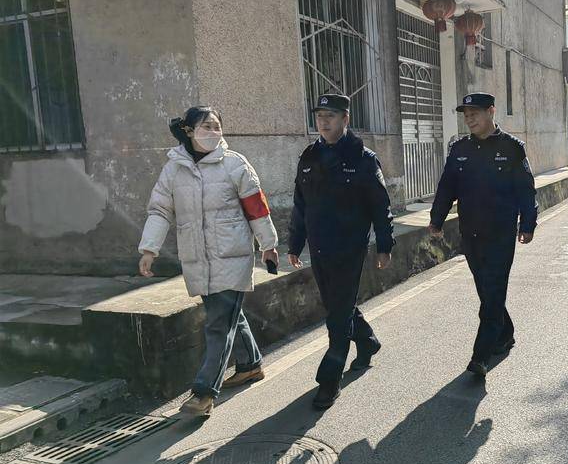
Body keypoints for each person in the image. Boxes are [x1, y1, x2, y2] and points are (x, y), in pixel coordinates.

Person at [138, 106, 279, 416]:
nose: (214, 132)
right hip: (198, 259)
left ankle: (203, 393)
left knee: (218, 325)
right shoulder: (174, 170)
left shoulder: (234, 164)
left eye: (217, 126)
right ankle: (250, 364)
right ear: (189, 131)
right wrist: (149, 249)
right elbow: (160, 210)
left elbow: (256, 208)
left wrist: (268, 245)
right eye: (206, 126)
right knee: (228, 318)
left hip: (233, 256)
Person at [288, 93, 395, 409]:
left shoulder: (363, 158)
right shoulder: (309, 156)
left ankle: (329, 380)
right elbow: (300, 205)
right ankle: (367, 341)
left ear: (345, 119)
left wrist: (384, 245)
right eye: (320, 116)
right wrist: (295, 244)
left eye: (331, 116)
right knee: (338, 305)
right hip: (319, 248)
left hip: (350, 248)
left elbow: (380, 206)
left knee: (337, 317)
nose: (323, 122)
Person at [428, 92, 537, 377]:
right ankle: (505, 333)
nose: (469, 119)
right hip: (471, 234)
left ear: (491, 111)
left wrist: (527, 224)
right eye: (466, 115)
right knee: (487, 292)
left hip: (500, 234)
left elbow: (526, 190)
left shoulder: (512, 148)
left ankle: (481, 356)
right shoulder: (459, 149)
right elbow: (447, 187)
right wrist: (436, 219)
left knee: (493, 291)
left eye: (474, 113)